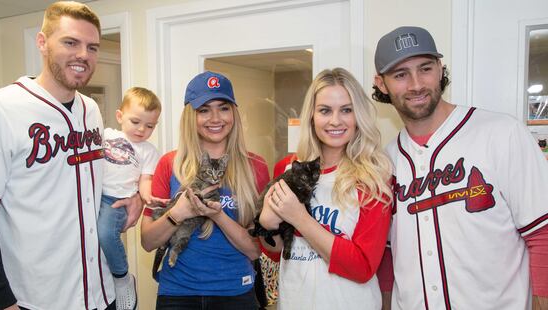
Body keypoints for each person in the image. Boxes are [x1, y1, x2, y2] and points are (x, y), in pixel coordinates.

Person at [0, 2, 143, 309]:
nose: (83, 55)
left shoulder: (90, 109)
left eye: (92, 47)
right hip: (39, 298)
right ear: (42, 42)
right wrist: (1, 300)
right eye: (70, 42)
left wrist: (133, 195)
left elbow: (93, 178)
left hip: (101, 291)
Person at [372, 26, 548, 309]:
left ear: (440, 69)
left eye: (425, 68)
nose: (416, 84)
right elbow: (389, 257)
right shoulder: (384, 162)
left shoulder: (502, 133)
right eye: (400, 75)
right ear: (381, 84)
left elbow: (543, 233)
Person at [258, 68, 394, 309]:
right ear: (312, 116)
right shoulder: (288, 167)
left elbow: (362, 267)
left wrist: (300, 218)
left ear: (358, 115)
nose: (335, 121)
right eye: (325, 110)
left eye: (346, 110)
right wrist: (267, 227)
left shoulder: (373, 178)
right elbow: (277, 253)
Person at [140, 71, 270, 309]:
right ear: (191, 116)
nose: (215, 118)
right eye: (204, 110)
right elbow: (148, 242)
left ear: (233, 113)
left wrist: (216, 215)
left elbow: (254, 250)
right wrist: (178, 213)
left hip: (236, 293)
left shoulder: (256, 167)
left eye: (223, 107)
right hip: (177, 295)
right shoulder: (169, 164)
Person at [98, 87, 162, 310]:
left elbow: (145, 180)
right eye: (136, 122)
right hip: (93, 196)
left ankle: (122, 277)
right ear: (119, 116)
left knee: (105, 234)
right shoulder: (106, 135)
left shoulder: (148, 151)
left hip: (116, 202)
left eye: (150, 126)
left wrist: (147, 197)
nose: (142, 129)